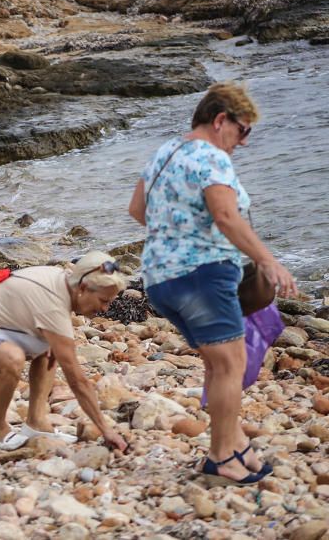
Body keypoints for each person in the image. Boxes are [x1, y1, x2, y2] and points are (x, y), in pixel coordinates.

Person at [128, 82, 297, 486]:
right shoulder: (211, 156)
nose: (242, 142)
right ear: (221, 120)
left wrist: (175, 239)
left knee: (218, 363)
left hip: (159, 278)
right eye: (243, 130)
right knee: (229, 364)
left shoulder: (165, 153)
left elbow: (137, 210)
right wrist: (266, 260)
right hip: (203, 274)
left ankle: (236, 445)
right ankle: (221, 457)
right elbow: (225, 215)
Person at [0, 251, 129, 453]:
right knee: (13, 358)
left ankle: (37, 421)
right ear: (84, 288)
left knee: (49, 348)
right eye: (104, 300)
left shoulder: (61, 279)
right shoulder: (52, 305)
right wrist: (106, 430)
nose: (105, 309)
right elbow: (77, 380)